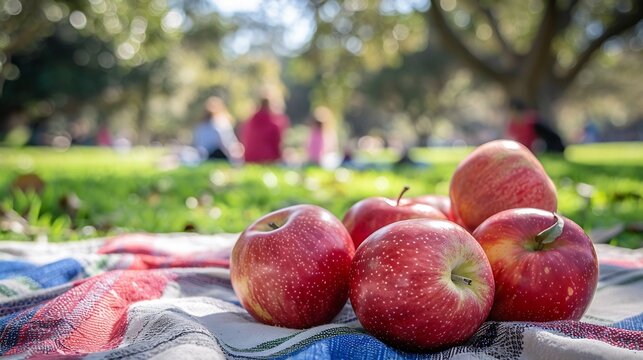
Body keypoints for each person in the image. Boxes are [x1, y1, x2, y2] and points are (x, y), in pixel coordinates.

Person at [192, 96, 242, 162]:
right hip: (217, 154)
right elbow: (226, 143)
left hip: (204, 156)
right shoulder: (221, 122)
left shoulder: (200, 126)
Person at [241, 97, 290, 164]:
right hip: (267, 159)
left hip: (249, 158)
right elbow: (277, 146)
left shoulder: (249, 123)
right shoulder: (273, 125)